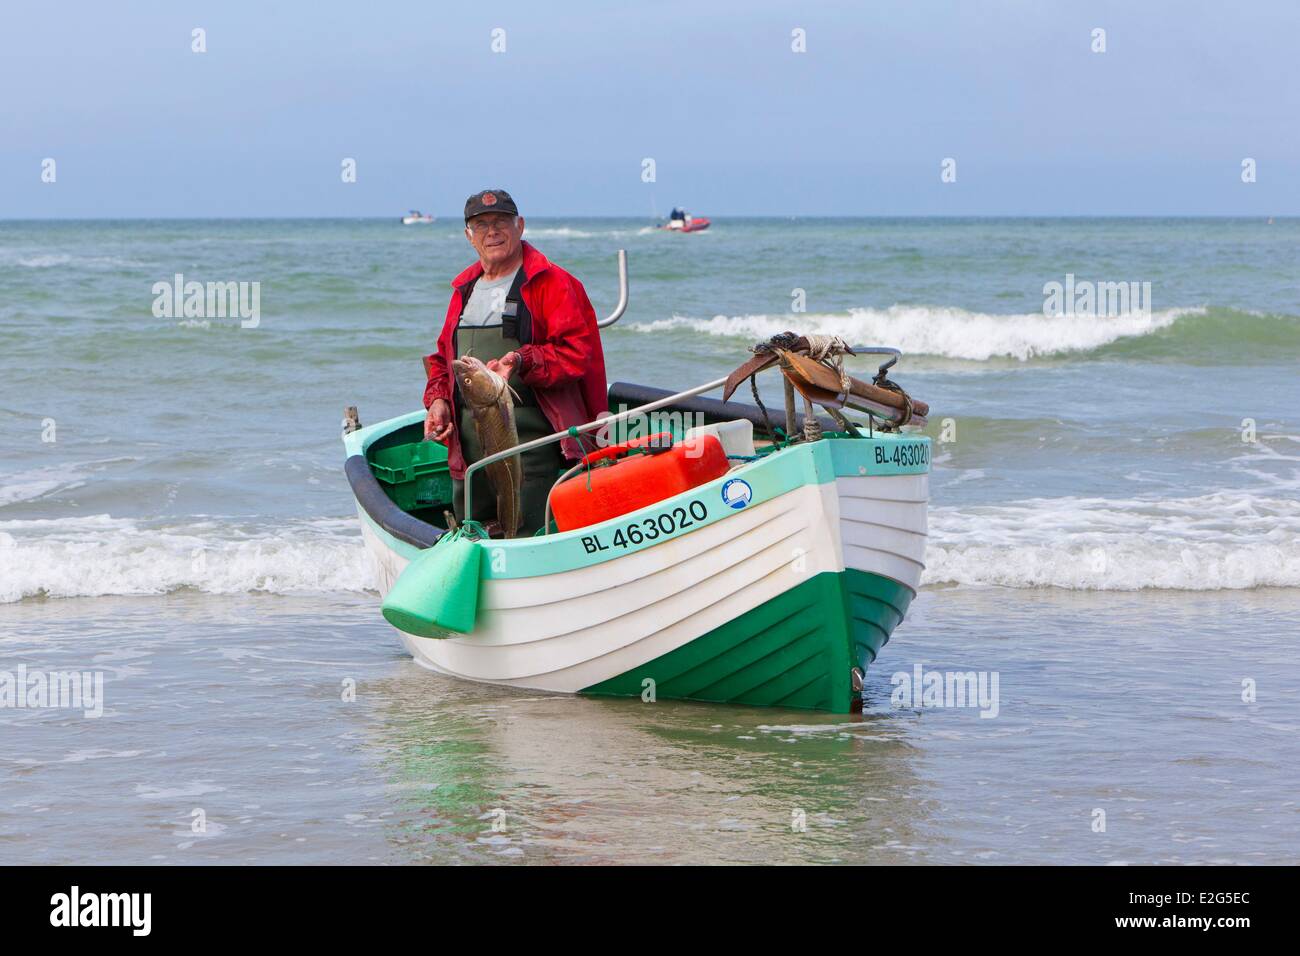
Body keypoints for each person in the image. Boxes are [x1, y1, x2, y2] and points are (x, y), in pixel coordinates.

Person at [423, 189, 607, 536]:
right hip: (471, 464)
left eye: (501, 222)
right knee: (474, 538)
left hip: (536, 457)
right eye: (481, 225)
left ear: (520, 226)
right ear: (468, 236)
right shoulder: (464, 289)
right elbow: (442, 360)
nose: (492, 232)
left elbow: (577, 353)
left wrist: (522, 360)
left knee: (531, 535)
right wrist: (437, 401)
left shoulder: (553, 283)